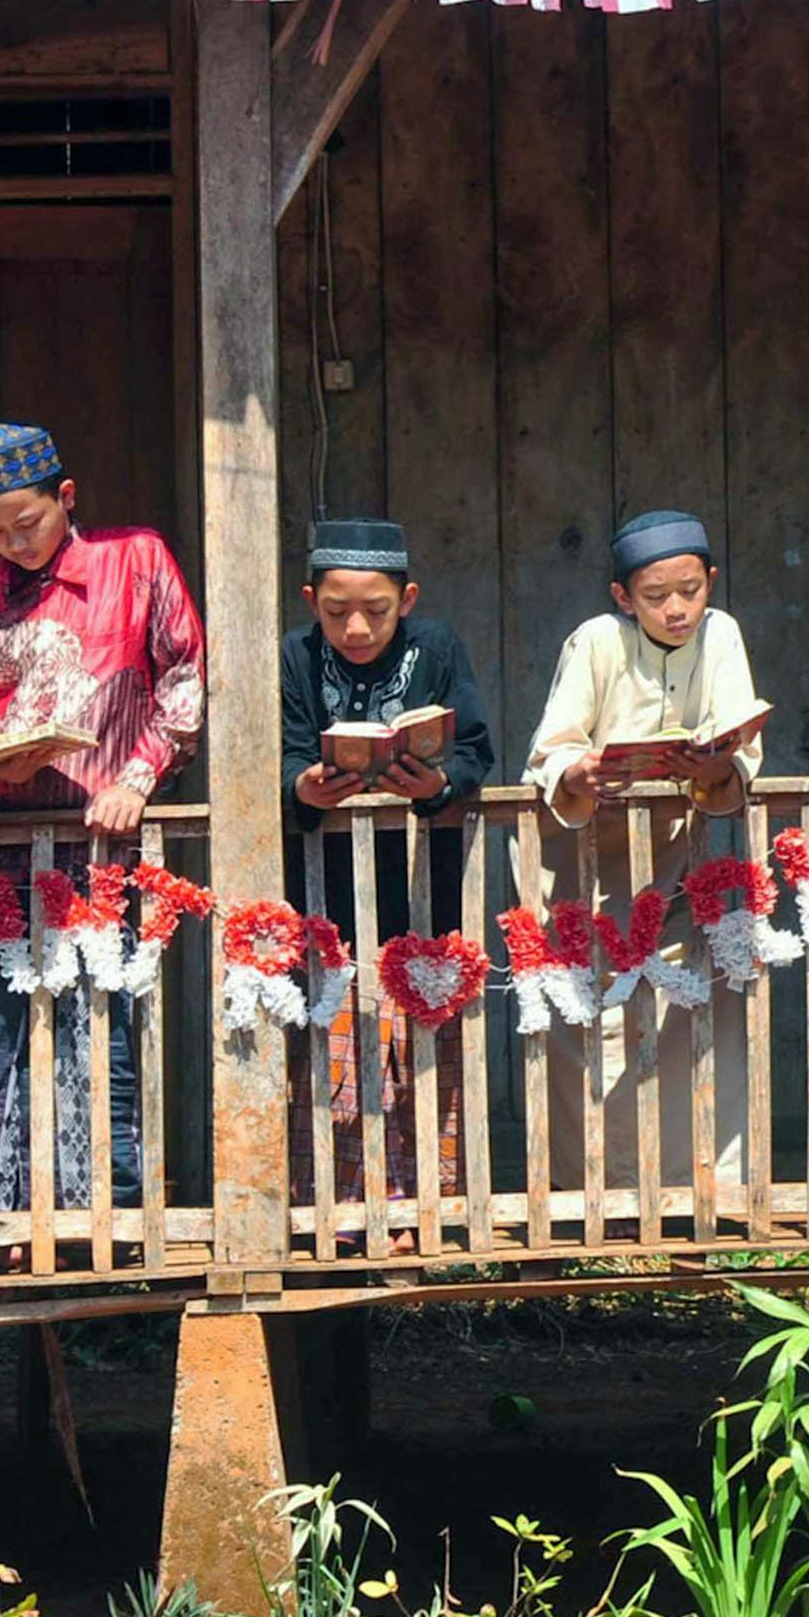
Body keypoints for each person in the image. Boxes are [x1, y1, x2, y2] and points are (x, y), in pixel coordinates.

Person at [0, 422, 205, 1220]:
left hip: (101, 838)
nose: (17, 543)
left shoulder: (135, 559)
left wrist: (139, 776)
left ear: (66, 498)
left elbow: (183, 676)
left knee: (97, 1020)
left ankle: (95, 1214)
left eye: (30, 523)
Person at [523, 508, 766, 1199]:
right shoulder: (598, 641)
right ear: (623, 597)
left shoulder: (721, 635)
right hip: (583, 860)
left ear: (710, 582)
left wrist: (716, 763)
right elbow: (553, 748)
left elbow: (738, 741)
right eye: (656, 596)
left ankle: (700, 1190)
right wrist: (580, 773)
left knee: (689, 1009)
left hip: (674, 859)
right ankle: (591, 1191)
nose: (677, 608)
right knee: (586, 1020)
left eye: (690, 589)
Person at [280, 516, 495, 1219]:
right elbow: (279, 752)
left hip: (420, 878)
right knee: (335, 1037)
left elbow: (476, 749)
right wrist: (301, 788)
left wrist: (436, 787)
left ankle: (428, 1207)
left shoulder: (437, 649)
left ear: (407, 601)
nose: (358, 629)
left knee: (424, 1040)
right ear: (312, 602)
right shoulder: (294, 657)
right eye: (337, 612)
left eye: (376, 610)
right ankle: (339, 1207)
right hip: (325, 880)